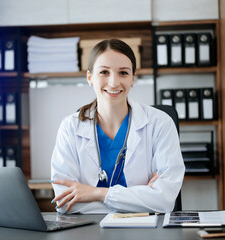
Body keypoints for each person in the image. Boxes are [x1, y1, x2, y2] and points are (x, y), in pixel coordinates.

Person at [50, 39, 185, 214]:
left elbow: (164, 200)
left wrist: (94, 193)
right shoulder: (70, 127)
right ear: (89, 77)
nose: (114, 82)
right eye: (104, 72)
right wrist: (142, 198)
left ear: (133, 79)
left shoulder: (161, 123)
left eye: (123, 73)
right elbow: (66, 202)